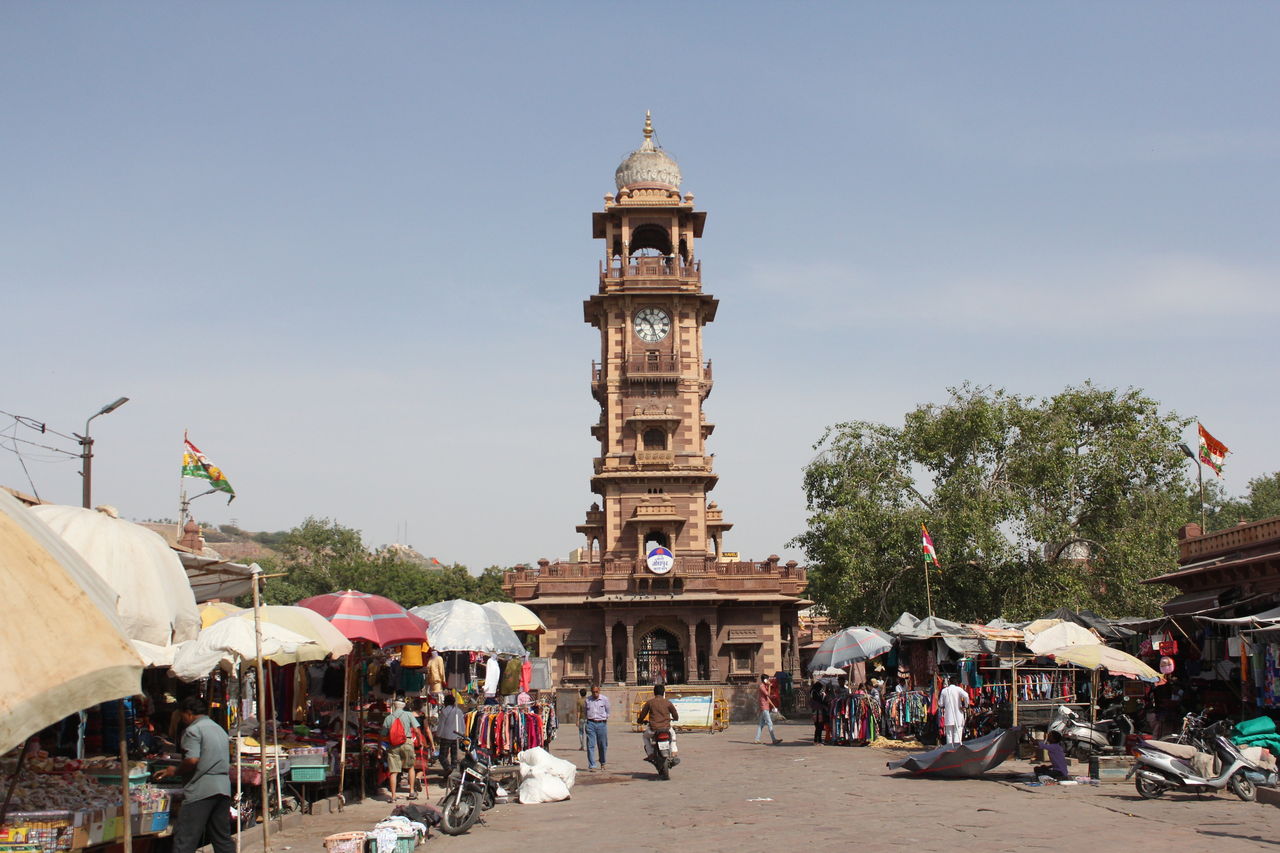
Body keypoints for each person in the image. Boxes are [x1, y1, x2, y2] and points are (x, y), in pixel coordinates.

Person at [153, 697, 232, 853]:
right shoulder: (219, 729)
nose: (182, 719)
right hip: (223, 789)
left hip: (201, 790)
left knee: (185, 840)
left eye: (182, 715)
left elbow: (192, 760)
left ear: (188, 713)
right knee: (222, 839)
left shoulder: (193, 730)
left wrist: (174, 771)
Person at [381, 698, 420, 802]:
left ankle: (393, 796)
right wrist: (420, 742)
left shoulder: (388, 718)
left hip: (393, 745)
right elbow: (416, 730)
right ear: (403, 705)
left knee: (393, 772)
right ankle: (411, 792)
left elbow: (383, 735)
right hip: (407, 743)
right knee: (410, 767)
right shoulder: (409, 715)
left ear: (394, 705)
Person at [636, 684, 680, 765]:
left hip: (653, 729)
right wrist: (675, 718)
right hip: (666, 728)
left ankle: (650, 754)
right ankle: (674, 753)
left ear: (654, 692)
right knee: (673, 736)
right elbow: (675, 714)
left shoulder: (650, 703)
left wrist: (640, 721)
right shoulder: (668, 703)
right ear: (663, 692)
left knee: (645, 737)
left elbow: (642, 715)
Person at [434, 693, 465, 779]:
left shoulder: (444, 711)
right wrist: (462, 734)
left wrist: (438, 735)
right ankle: (453, 771)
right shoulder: (459, 711)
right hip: (457, 736)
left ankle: (448, 768)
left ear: (446, 702)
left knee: (442, 756)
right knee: (454, 756)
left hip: (446, 736)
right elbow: (462, 724)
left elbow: (441, 724)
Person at [584, 684, 611, 771]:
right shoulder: (588, 700)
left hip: (601, 724)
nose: (595, 694)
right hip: (590, 723)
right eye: (593, 692)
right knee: (590, 745)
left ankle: (602, 762)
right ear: (591, 692)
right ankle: (592, 765)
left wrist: (604, 718)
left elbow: (608, 711)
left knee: (602, 745)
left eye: (596, 692)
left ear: (599, 691)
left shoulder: (604, 699)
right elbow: (585, 711)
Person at [940, 675, 969, 744]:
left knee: (949, 735)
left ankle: (949, 749)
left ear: (949, 682)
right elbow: (966, 695)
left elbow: (940, 704)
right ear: (956, 683)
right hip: (958, 715)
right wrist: (965, 705)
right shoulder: (958, 689)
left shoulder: (944, 691)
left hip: (948, 716)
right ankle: (957, 749)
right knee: (957, 734)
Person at [754, 674, 782, 745]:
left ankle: (757, 739)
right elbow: (768, 694)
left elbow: (768, 698)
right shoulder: (762, 686)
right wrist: (769, 686)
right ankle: (774, 740)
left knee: (761, 724)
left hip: (765, 707)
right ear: (764, 680)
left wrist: (773, 706)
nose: (768, 680)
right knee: (770, 723)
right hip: (764, 707)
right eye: (767, 679)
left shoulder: (764, 686)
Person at [810, 679, 827, 745]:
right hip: (817, 711)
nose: (821, 689)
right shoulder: (815, 692)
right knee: (818, 726)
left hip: (816, 711)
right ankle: (817, 740)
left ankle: (817, 740)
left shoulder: (813, 692)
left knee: (818, 726)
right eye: (820, 688)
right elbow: (819, 700)